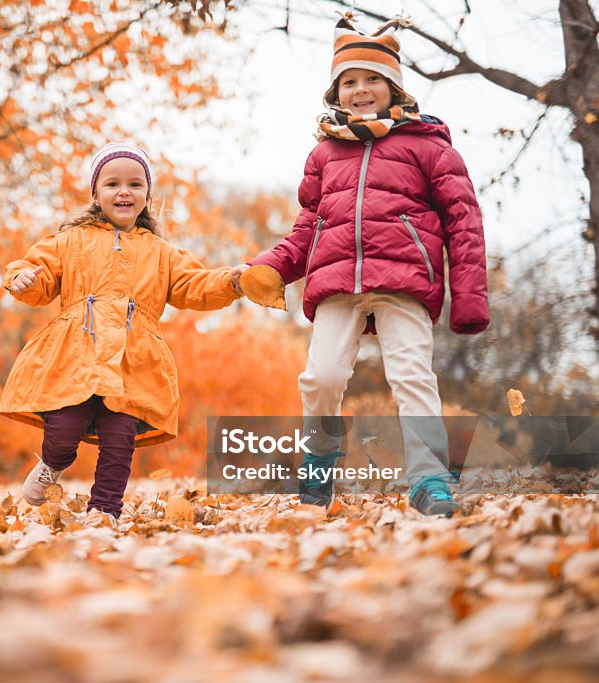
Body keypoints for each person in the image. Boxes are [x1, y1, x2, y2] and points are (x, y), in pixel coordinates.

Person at [233, 13, 489, 517]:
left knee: (412, 374)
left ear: (395, 86)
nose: (361, 89)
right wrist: (270, 267)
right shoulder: (325, 152)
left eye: (373, 78)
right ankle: (320, 459)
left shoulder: (427, 145)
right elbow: (310, 226)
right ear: (335, 92)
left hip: (404, 280)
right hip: (334, 284)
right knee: (320, 377)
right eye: (349, 81)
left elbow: (463, 219)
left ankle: (429, 480)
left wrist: (469, 294)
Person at [0, 142, 243, 524]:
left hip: (134, 361)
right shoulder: (71, 240)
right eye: (112, 184)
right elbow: (39, 274)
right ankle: (53, 462)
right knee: (64, 426)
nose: (124, 191)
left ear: (147, 195)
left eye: (135, 184)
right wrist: (23, 279)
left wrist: (232, 281)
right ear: (96, 193)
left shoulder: (162, 253)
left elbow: (195, 284)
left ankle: (105, 512)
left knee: (119, 440)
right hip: (75, 354)